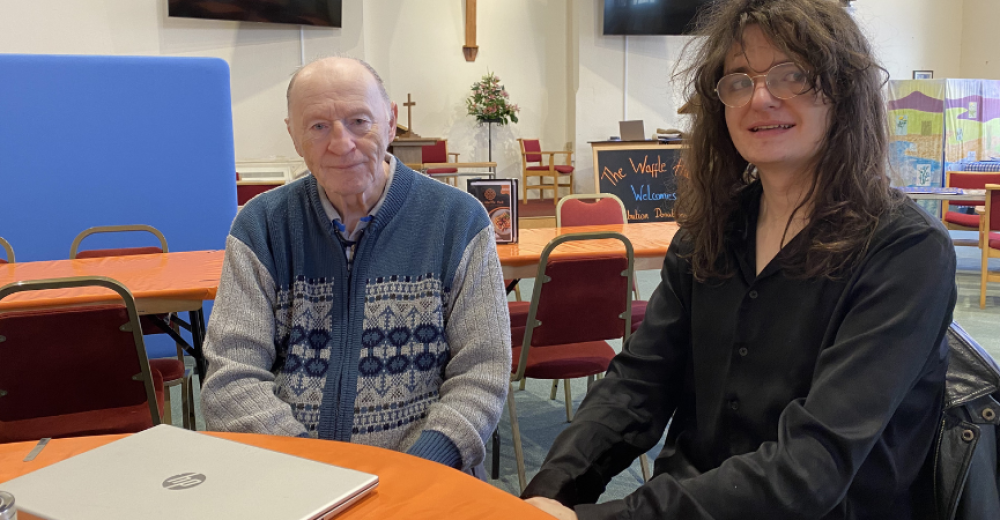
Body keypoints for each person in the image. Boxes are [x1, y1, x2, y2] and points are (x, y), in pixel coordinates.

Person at [523, 0, 957, 518]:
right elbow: (637, 385)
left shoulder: (906, 251)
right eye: (739, 80)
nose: (760, 98)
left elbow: (812, 468)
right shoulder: (710, 233)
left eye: (792, 75)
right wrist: (548, 494)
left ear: (844, 91)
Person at [201, 57, 511, 475]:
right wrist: (312, 470)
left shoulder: (457, 221)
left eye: (359, 121)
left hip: (424, 477)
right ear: (294, 136)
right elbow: (231, 377)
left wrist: (420, 467)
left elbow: (483, 369)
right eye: (318, 126)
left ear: (391, 122)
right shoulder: (262, 225)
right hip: (289, 476)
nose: (341, 143)